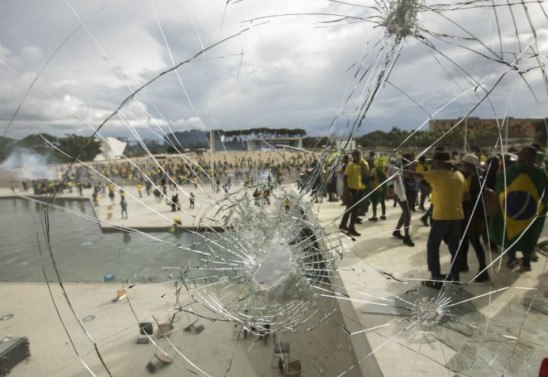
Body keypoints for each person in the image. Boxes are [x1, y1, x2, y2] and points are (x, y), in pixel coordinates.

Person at [406, 152, 468, 288]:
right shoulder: (459, 175)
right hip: (457, 216)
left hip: (442, 217)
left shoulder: (438, 174)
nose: (432, 164)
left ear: (440, 163)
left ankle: (436, 279)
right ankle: (455, 275)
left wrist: (396, 171)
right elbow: (466, 196)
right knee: (454, 246)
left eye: (434, 162)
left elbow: (414, 175)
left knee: (433, 246)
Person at [488, 146, 547, 272]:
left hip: (523, 213)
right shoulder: (516, 171)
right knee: (514, 234)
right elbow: (501, 181)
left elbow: (544, 194)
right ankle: (514, 258)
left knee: (523, 235)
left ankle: (524, 260)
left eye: (524, 154)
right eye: (520, 154)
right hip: (519, 212)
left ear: (532, 157)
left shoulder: (540, 175)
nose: (520, 156)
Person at [457, 154, 489, 282]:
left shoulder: (477, 179)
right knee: (464, 240)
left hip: (474, 215)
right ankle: (463, 264)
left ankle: (483, 270)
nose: (461, 166)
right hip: (466, 214)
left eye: (463, 164)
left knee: (475, 241)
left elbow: (474, 199)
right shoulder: (469, 177)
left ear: (469, 166)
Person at [391, 154, 415, 247]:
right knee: (407, 214)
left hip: (408, 194)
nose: (413, 161)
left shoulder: (408, 168)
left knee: (405, 213)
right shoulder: (399, 169)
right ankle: (406, 237)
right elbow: (401, 180)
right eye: (412, 159)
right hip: (402, 195)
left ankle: (397, 231)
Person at [339, 150, 364, 237]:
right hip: (352, 190)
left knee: (350, 209)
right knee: (353, 210)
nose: (359, 158)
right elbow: (345, 178)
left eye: (360, 157)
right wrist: (348, 191)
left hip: (357, 190)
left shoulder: (358, 166)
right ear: (353, 156)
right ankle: (351, 228)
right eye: (357, 157)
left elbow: (358, 178)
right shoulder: (351, 165)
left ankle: (343, 225)